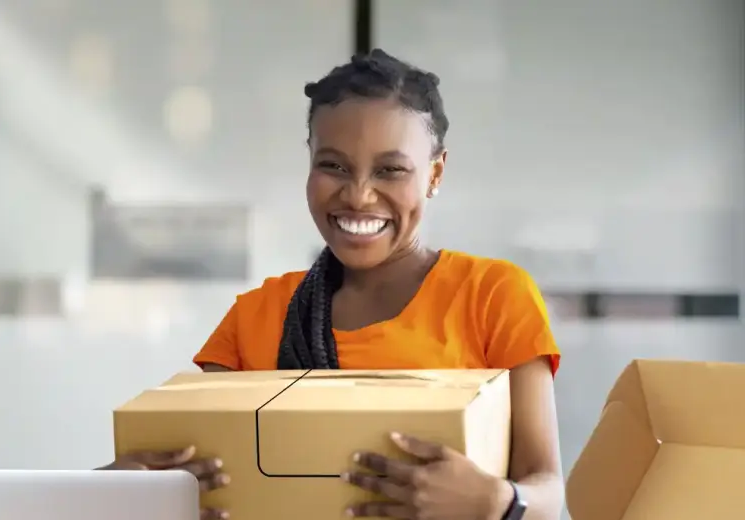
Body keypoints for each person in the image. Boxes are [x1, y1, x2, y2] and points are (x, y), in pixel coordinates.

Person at [99, 49, 564, 520]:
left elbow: (547, 490)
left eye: (390, 170)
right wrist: (118, 490)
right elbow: (204, 468)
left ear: (435, 173)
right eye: (334, 166)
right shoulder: (258, 314)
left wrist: (496, 502)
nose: (358, 195)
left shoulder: (492, 295)